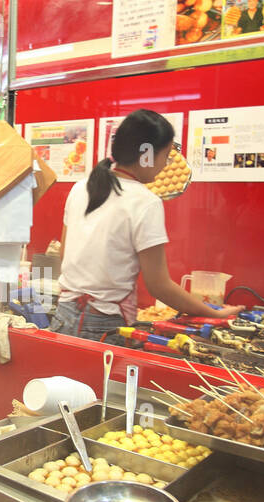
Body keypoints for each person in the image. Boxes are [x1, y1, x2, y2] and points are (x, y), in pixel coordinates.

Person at [49, 109, 243, 339]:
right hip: (104, 325)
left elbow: (64, 254)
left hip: (64, 315)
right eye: (166, 155)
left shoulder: (80, 187)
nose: (165, 164)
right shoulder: (145, 201)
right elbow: (159, 285)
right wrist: (214, 314)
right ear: (147, 154)